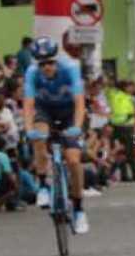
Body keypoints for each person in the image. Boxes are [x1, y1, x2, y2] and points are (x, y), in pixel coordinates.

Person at [23, 36, 89, 234]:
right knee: (39, 137)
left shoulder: (70, 68)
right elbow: (28, 105)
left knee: (74, 161)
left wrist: (77, 127)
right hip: (46, 111)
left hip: (69, 112)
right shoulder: (32, 73)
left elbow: (79, 103)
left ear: (56, 59)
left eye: (51, 62)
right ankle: (43, 184)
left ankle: (78, 210)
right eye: (42, 64)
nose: (47, 67)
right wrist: (28, 130)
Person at [108, 80, 135, 182]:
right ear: (125, 87)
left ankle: (125, 175)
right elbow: (121, 111)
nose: (132, 89)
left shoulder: (121, 96)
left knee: (122, 152)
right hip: (124, 126)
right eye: (130, 86)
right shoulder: (122, 97)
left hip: (121, 125)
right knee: (129, 152)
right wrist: (132, 113)